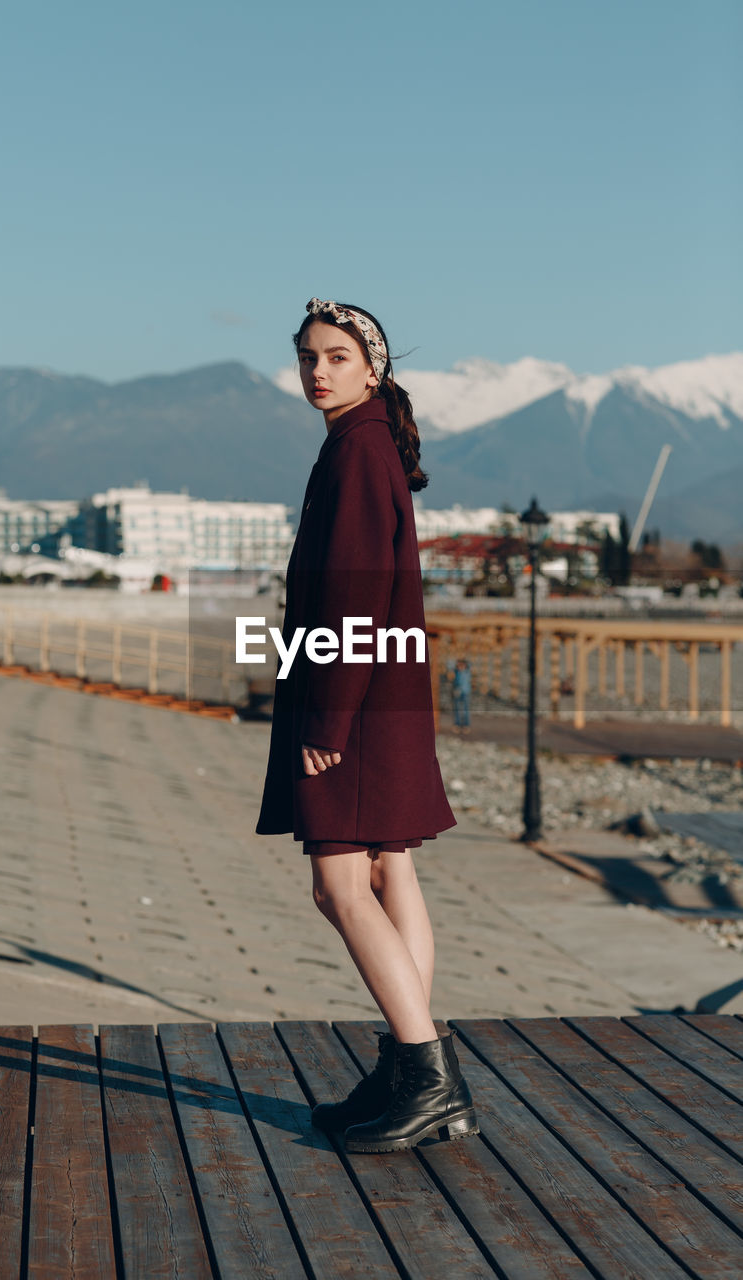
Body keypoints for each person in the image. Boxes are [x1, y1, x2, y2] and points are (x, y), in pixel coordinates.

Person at [256, 298, 478, 1153]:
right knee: (392, 876)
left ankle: (424, 1072)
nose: (317, 371)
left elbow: (352, 592)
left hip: (352, 700)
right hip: (385, 696)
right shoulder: (365, 442)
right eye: (309, 357)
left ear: (372, 369)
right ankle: (408, 1077)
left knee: (340, 887)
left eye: (336, 357)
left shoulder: (355, 452)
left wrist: (329, 714)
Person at [450, 656, 472, 732]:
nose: (460, 667)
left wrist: (463, 658)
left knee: (465, 709)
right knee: (457, 709)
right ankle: (457, 724)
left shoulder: (467, 672)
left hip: (465, 692)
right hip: (457, 693)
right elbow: (450, 665)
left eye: (462, 665)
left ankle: (466, 725)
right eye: (459, 665)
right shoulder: (456, 672)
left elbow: (470, 664)